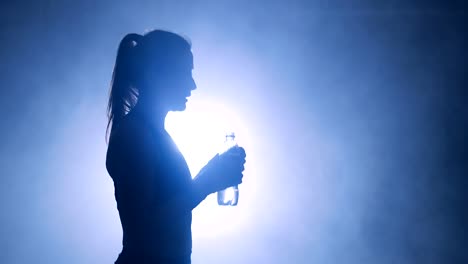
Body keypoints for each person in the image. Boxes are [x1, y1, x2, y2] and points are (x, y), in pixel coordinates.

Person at [105, 30, 247, 264]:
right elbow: (142, 229)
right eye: (184, 72)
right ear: (156, 74)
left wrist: (211, 175)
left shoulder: (153, 133)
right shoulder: (135, 135)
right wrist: (207, 182)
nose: (192, 84)